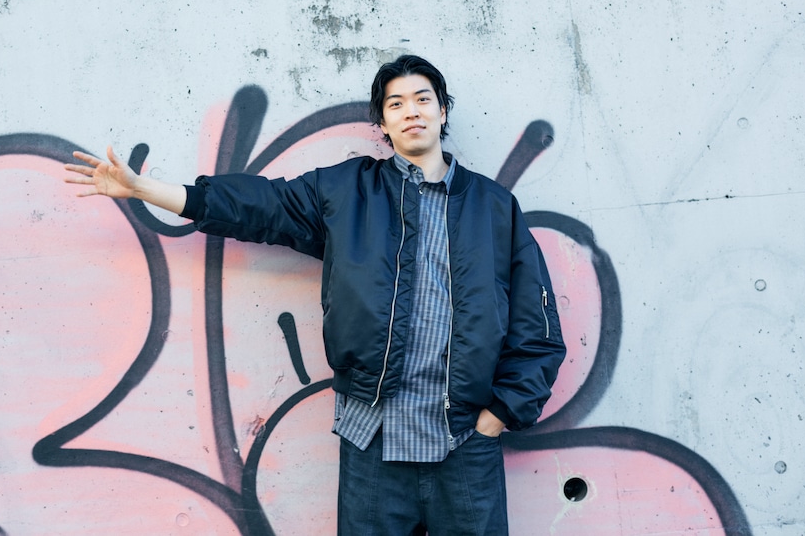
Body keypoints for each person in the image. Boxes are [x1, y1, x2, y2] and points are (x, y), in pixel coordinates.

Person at [64, 55, 566, 535]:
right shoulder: (348, 192)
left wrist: (498, 417)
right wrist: (146, 190)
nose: (411, 111)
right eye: (395, 104)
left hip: (463, 443)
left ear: (442, 111)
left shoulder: (494, 208)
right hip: (372, 442)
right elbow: (260, 205)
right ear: (382, 123)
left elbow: (537, 326)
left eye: (422, 99)